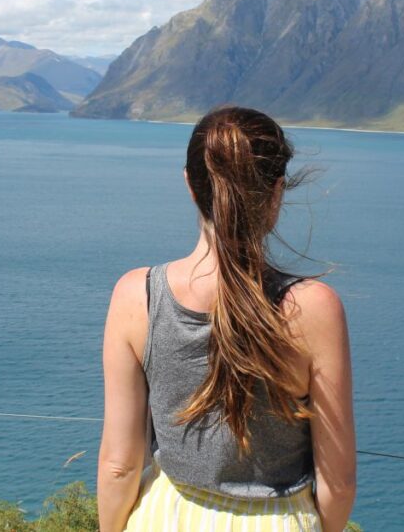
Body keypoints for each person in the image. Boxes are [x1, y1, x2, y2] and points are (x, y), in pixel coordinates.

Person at [98, 105, 356, 532]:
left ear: (190, 185)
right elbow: (340, 483)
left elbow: (118, 466)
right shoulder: (314, 308)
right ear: (276, 193)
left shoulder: (136, 296)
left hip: (166, 517)